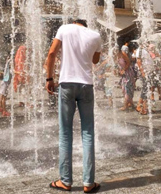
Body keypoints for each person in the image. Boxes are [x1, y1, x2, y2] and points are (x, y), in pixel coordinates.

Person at [46, 19, 101, 193]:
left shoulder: (64, 28)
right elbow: (95, 60)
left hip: (67, 84)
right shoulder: (95, 35)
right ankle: (89, 183)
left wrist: (49, 79)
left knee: (65, 132)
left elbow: (52, 53)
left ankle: (66, 181)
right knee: (88, 133)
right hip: (86, 85)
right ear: (85, 25)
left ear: (74, 23)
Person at [135, 43, 154, 115]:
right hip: (144, 72)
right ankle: (142, 107)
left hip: (148, 72)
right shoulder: (139, 50)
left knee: (146, 89)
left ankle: (142, 106)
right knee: (145, 89)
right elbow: (138, 61)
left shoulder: (144, 50)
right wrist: (142, 72)